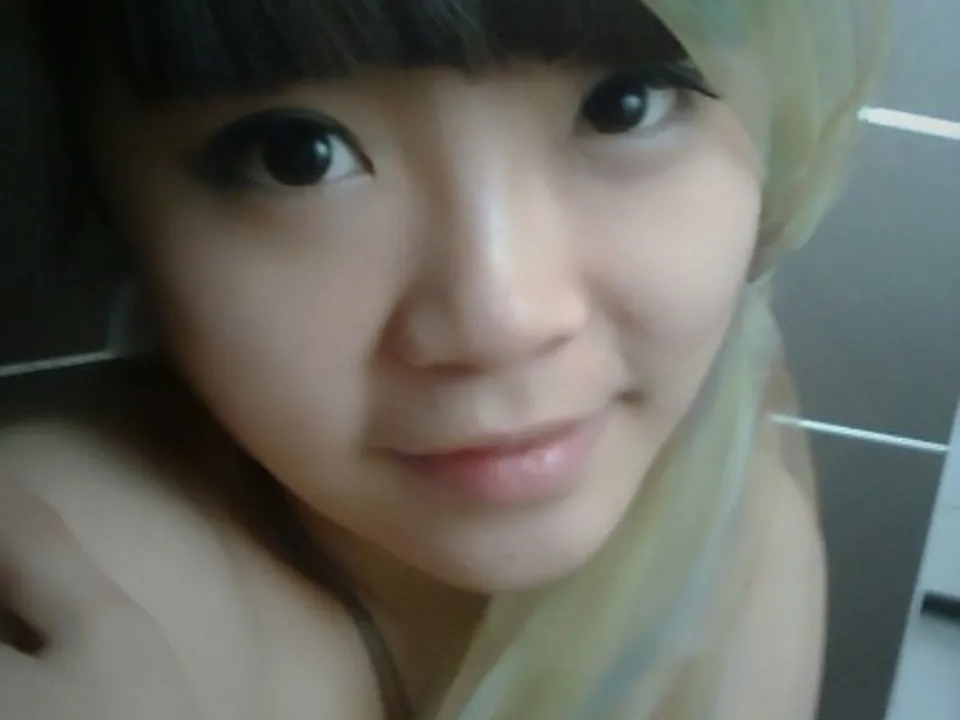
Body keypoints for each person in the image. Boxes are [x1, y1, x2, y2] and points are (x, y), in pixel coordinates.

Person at [0, 0, 887, 718]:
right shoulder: (68, 589)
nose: (502, 319)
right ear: (110, 197)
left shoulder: (735, 523)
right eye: (296, 157)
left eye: (624, 104)